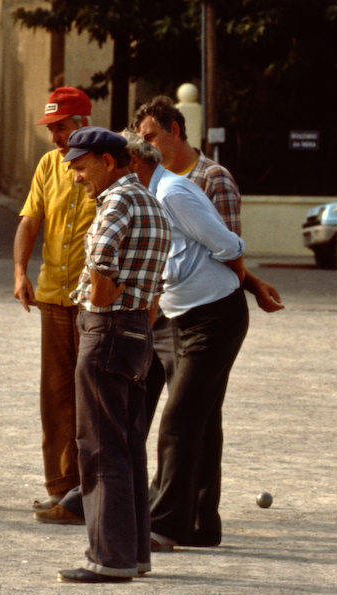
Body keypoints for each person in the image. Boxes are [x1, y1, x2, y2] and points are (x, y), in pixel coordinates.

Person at [119, 131, 250, 551]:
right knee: (202, 421)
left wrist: (243, 283)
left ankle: (168, 526)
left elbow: (228, 244)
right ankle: (201, 525)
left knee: (178, 420)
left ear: (135, 164)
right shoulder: (143, 197)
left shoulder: (174, 192)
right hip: (179, 319)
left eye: (119, 169)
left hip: (214, 318)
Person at [57, 127, 170, 584]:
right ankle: (135, 554)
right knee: (127, 446)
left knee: (100, 447)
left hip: (105, 328)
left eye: (81, 168)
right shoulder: (150, 201)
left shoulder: (117, 202)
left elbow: (101, 263)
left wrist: (105, 296)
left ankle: (109, 558)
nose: (77, 178)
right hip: (138, 330)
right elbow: (156, 285)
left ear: (108, 161)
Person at [13, 86, 96, 518]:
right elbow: (30, 221)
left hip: (95, 299)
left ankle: (89, 491)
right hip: (53, 295)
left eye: (60, 127)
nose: (54, 137)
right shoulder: (48, 165)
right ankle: (62, 487)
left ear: (83, 122)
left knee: (90, 395)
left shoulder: (106, 162)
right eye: (51, 128)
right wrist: (19, 271)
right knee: (56, 394)